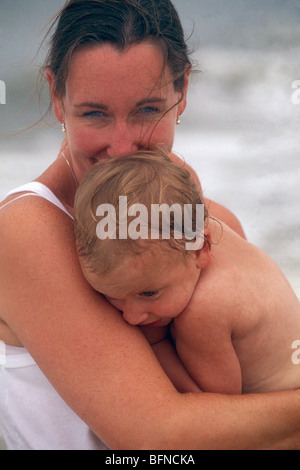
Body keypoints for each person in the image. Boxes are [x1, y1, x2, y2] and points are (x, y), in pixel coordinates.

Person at [0, 0, 299, 450]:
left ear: (182, 90)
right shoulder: (26, 229)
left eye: (146, 110)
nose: (121, 148)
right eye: (95, 113)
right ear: (57, 97)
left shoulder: (204, 215)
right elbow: (154, 435)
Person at [74, 149, 300, 395]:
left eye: (148, 293)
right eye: (112, 296)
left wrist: (156, 344)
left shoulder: (204, 311)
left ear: (200, 250)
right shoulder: (207, 228)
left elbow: (219, 404)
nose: (131, 317)